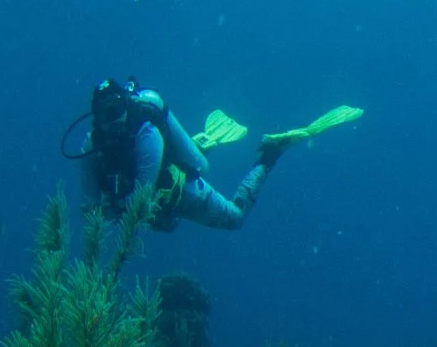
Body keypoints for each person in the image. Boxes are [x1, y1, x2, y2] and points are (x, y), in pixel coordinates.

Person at [69, 79, 350, 233]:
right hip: (154, 191)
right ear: (95, 119)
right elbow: (88, 204)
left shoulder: (146, 134)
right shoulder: (91, 146)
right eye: (105, 115)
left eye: (116, 111)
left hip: (180, 190)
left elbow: (140, 198)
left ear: (127, 107)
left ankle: (271, 153)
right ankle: (192, 147)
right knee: (167, 225)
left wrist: (113, 210)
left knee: (236, 218)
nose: (113, 121)